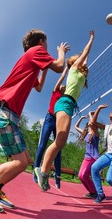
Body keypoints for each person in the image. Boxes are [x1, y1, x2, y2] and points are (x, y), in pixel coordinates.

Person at [0, 29, 69, 213]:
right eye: (47, 44)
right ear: (41, 42)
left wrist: (45, 68)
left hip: (10, 112)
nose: (47, 48)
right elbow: (59, 65)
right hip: (4, 107)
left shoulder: (33, 61)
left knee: (25, 160)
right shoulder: (35, 51)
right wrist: (61, 53)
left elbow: (40, 87)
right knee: (19, 162)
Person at [34, 30, 95, 191]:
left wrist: (85, 56)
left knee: (61, 142)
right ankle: (43, 171)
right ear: (75, 62)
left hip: (69, 105)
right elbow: (86, 54)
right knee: (59, 142)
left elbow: (86, 59)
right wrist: (91, 39)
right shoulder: (74, 67)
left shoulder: (81, 73)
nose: (83, 61)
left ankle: (43, 171)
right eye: (80, 59)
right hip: (64, 103)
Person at [33, 65, 68, 189]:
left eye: (64, 86)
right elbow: (63, 77)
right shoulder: (56, 91)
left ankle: (57, 178)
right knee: (42, 144)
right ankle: (35, 171)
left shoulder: (64, 98)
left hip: (58, 121)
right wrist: (67, 67)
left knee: (58, 148)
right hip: (49, 119)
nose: (63, 85)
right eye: (62, 85)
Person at [74, 111, 100, 198]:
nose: (90, 122)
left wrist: (90, 114)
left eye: (91, 122)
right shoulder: (85, 134)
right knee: (80, 176)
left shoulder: (96, 134)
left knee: (85, 175)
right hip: (86, 158)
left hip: (94, 158)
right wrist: (81, 118)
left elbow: (92, 123)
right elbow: (76, 126)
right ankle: (92, 192)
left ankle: (96, 192)